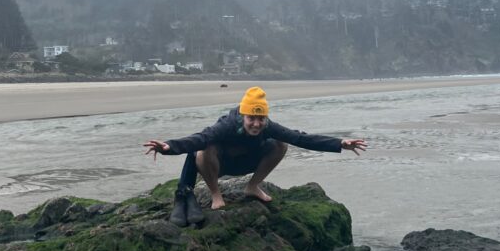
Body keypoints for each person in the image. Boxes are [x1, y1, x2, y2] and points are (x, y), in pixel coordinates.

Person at [144, 86, 368, 227]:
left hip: (246, 163)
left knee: (281, 143)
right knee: (203, 149)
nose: (256, 123)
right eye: (252, 118)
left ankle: (253, 186)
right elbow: (199, 139)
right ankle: (215, 194)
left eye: (261, 119)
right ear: (243, 115)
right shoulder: (227, 125)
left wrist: (340, 143)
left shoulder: (267, 126)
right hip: (218, 165)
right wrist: (168, 147)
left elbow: (300, 138)